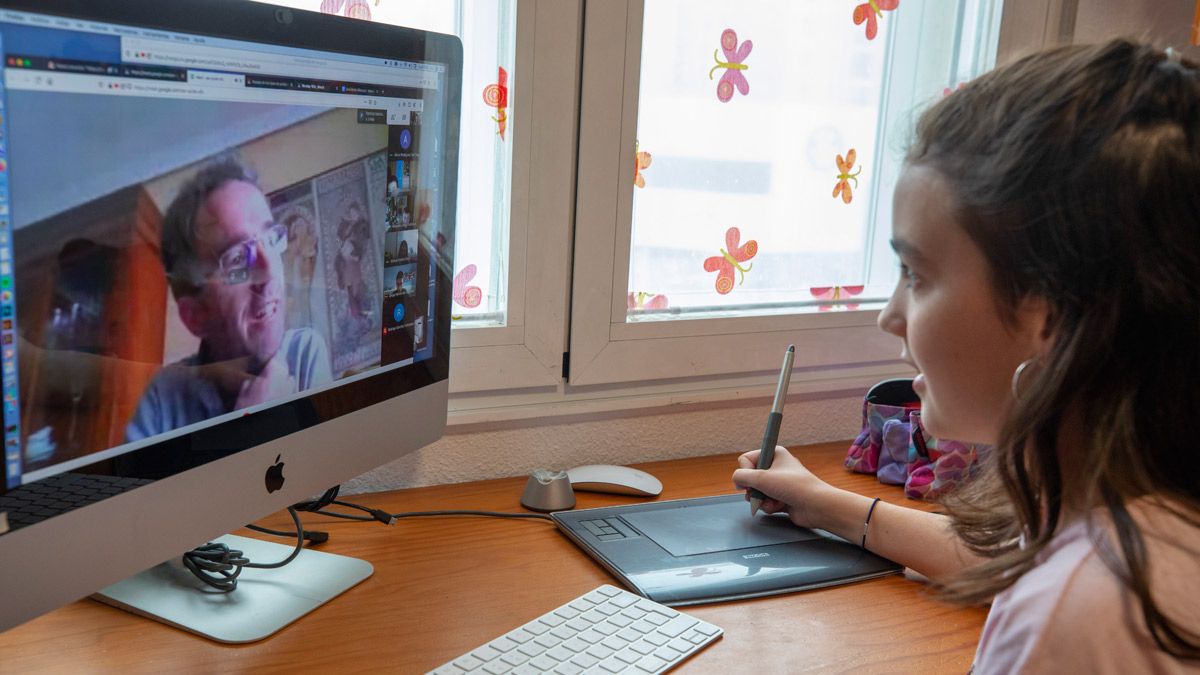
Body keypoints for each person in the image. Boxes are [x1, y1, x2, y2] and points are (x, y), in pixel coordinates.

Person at [733, 40, 1199, 672]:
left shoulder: (1075, 615)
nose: (889, 316)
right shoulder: (1146, 501)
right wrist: (825, 503)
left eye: (917, 274)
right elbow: (1009, 551)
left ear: (1050, 309)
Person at [126, 158, 332, 441]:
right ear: (195, 315)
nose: (271, 273)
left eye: (271, 240)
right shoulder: (163, 398)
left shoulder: (305, 352)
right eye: (237, 258)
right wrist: (245, 435)